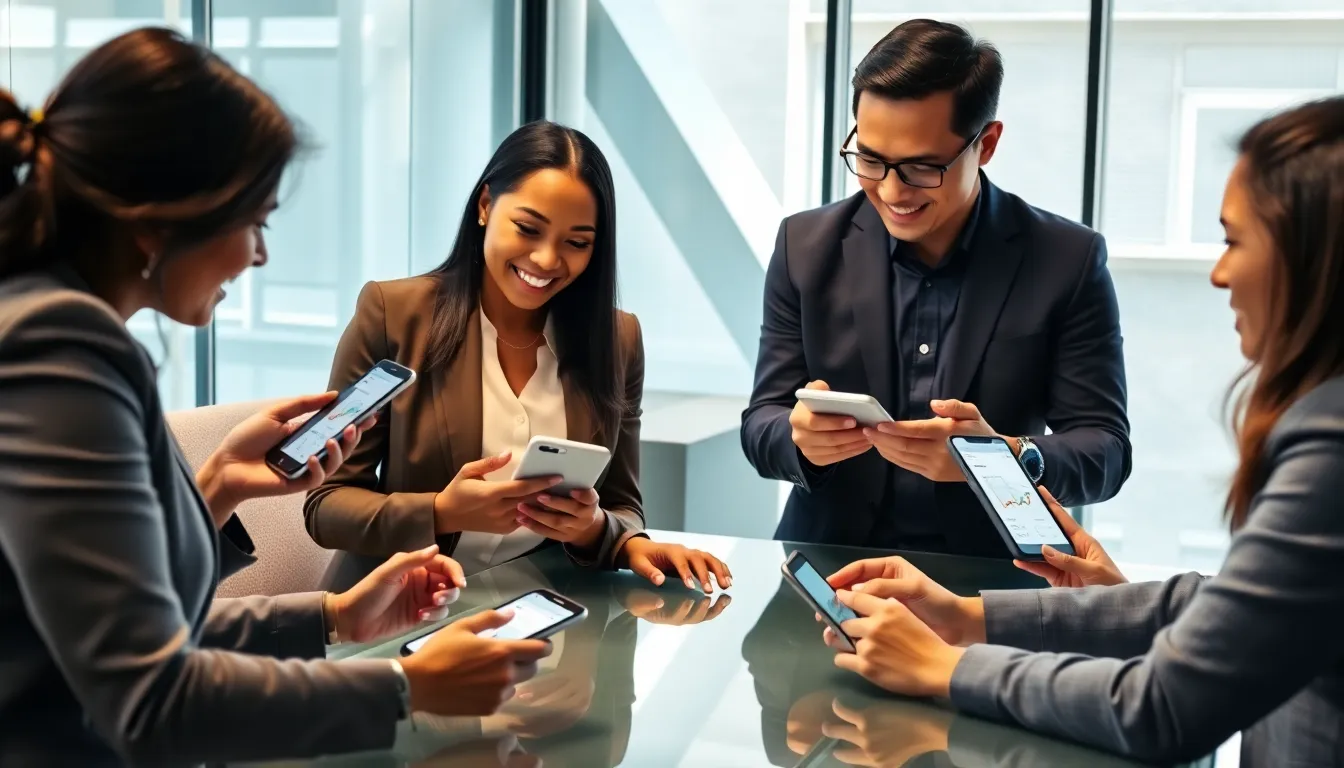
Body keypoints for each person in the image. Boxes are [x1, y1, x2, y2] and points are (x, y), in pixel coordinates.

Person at [0, 28, 551, 766]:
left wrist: (333, 617)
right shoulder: (58, 350)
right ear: (163, 216)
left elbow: (122, 630)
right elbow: (153, 698)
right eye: (254, 223)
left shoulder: (49, 328)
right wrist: (405, 688)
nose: (260, 254)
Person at [819, 96, 1344, 766]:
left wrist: (944, 666)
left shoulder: (1331, 447)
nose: (1219, 273)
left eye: (1234, 240)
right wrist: (965, 617)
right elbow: (1210, 604)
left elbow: (1161, 707)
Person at [740, 19, 1131, 556]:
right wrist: (800, 439)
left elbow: (1106, 451)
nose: (892, 190)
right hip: (827, 569)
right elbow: (761, 423)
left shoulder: (1067, 259)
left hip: (992, 585)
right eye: (871, 160)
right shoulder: (804, 245)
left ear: (986, 144)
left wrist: (1002, 459)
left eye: (922, 168)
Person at [304, 121, 732, 591]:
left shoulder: (618, 339)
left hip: (539, 609)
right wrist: (441, 512)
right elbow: (325, 504)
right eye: (528, 229)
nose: (547, 260)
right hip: (394, 610)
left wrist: (613, 537)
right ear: (486, 206)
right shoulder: (393, 315)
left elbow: (622, 503)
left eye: (577, 242)